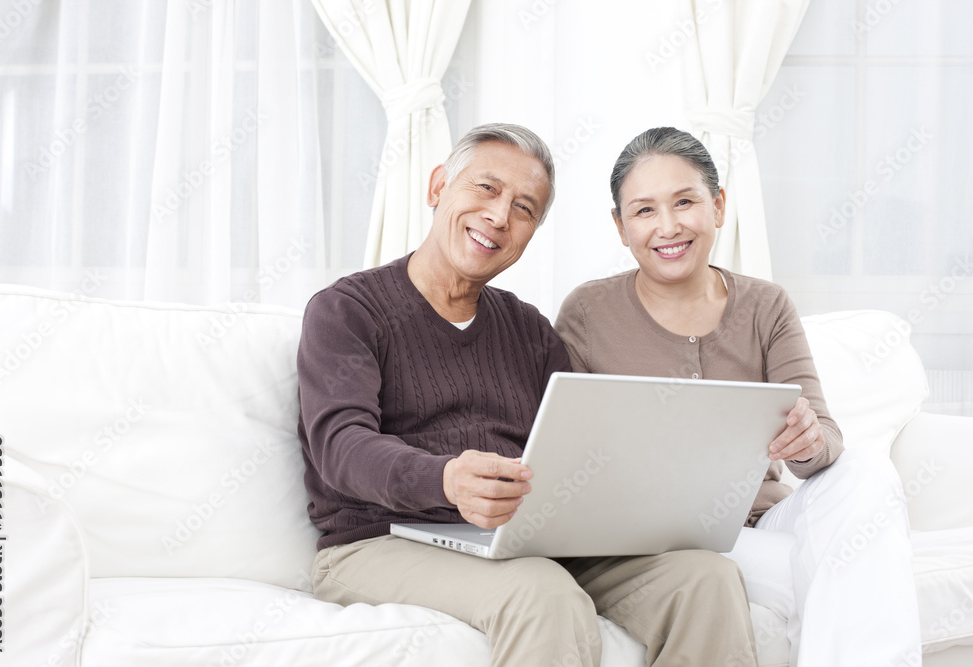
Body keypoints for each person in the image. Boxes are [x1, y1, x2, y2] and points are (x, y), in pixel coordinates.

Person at [297, 123, 759, 666]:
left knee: (705, 577)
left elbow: (579, 451)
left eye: (525, 209)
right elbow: (341, 447)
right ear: (438, 186)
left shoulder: (531, 331)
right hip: (379, 540)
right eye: (486, 189)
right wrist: (445, 479)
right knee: (542, 591)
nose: (499, 216)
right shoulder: (347, 309)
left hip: (523, 536)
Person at [555, 126, 923, 667]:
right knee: (850, 578)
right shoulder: (587, 314)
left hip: (762, 528)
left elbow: (825, 445)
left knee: (867, 472)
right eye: (644, 211)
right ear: (620, 226)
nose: (669, 226)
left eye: (685, 202)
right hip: (662, 545)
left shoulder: (766, 305)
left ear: (719, 206)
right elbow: (568, 457)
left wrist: (806, 440)